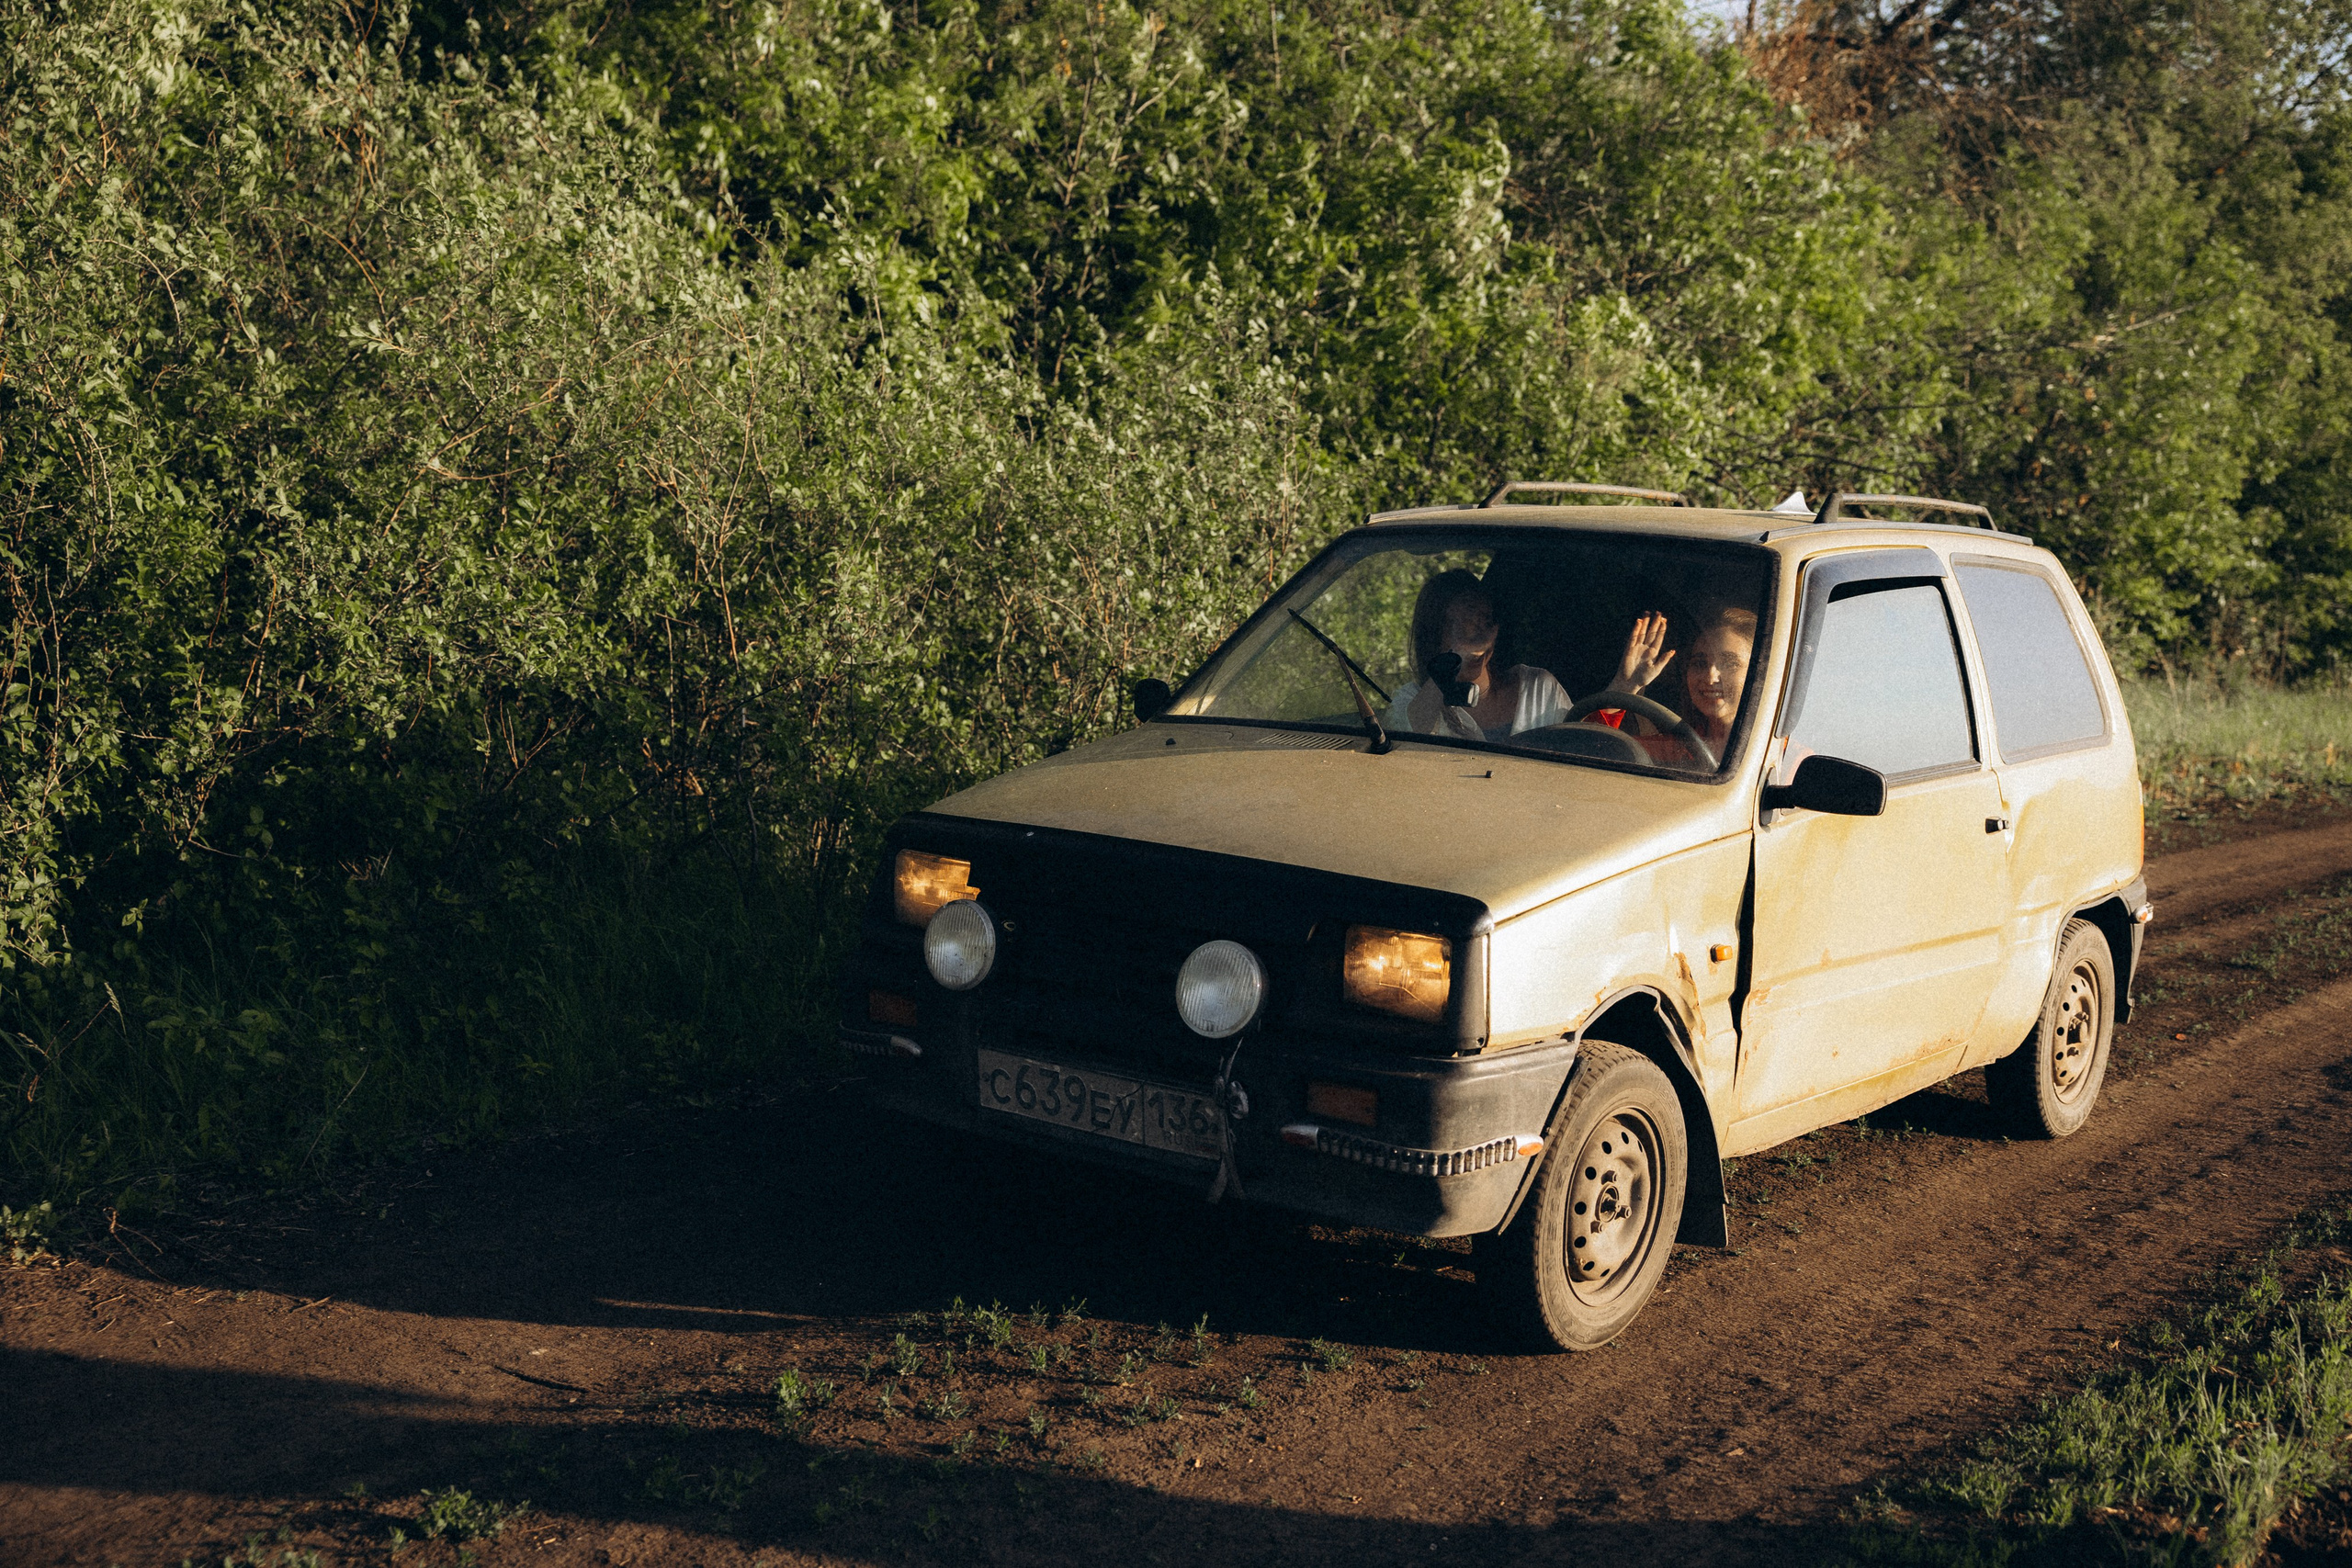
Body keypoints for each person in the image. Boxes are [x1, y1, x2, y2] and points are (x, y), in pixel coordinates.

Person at [1385, 570, 1569, 742]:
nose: (1474, 639)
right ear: (1433, 636)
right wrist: (1448, 670)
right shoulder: (1411, 701)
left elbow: (1576, 748)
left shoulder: (1538, 689)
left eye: (1484, 623)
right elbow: (1406, 744)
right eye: (1458, 627)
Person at [1623, 604, 1757, 767]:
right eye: (1700, 663)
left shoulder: (1781, 755)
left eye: (1730, 663)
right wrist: (1626, 684)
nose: (1710, 677)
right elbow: (1600, 750)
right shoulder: (1677, 747)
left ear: (1758, 672)